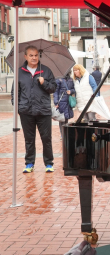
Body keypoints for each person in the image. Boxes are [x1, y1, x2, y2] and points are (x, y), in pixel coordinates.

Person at [11, 45, 57, 173]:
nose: (34, 58)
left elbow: (53, 88)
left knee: (46, 139)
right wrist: (18, 108)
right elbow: (15, 92)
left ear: (39, 56)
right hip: (26, 112)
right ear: (25, 56)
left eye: (36, 55)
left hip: (43, 111)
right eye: (31, 55)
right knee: (29, 140)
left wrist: (44, 83)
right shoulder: (20, 72)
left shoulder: (46, 71)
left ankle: (49, 163)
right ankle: (29, 163)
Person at [54, 73, 76, 140]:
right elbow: (56, 92)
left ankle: (65, 133)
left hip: (68, 102)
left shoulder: (71, 80)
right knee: (61, 119)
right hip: (61, 102)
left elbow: (74, 90)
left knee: (66, 118)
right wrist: (56, 102)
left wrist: (71, 91)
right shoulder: (59, 80)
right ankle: (62, 134)